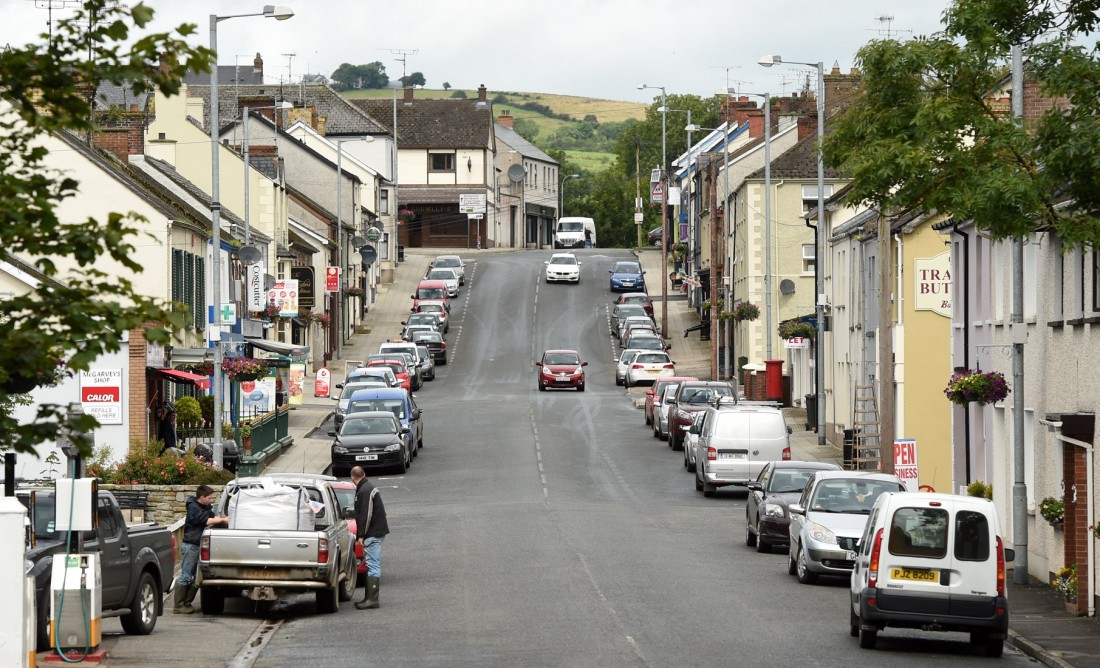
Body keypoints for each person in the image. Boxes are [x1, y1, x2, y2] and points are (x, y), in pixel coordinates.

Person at [174, 484, 228, 614]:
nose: (211, 500)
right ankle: (179, 605)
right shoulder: (193, 508)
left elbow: (211, 517)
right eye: (209, 498)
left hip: (198, 545)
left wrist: (220, 520)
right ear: (202, 497)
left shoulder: (204, 507)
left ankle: (186, 604)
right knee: (186, 575)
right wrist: (222, 520)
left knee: (195, 577)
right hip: (191, 545)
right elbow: (204, 520)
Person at [351, 465, 389, 609]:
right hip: (377, 531)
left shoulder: (364, 490)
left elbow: (366, 515)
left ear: (352, 477)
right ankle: (369, 598)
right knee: (372, 563)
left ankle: (372, 600)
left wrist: (361, 535)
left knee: (372, 564)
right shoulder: (368, 487)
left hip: (372, 533)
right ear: (364, 474)